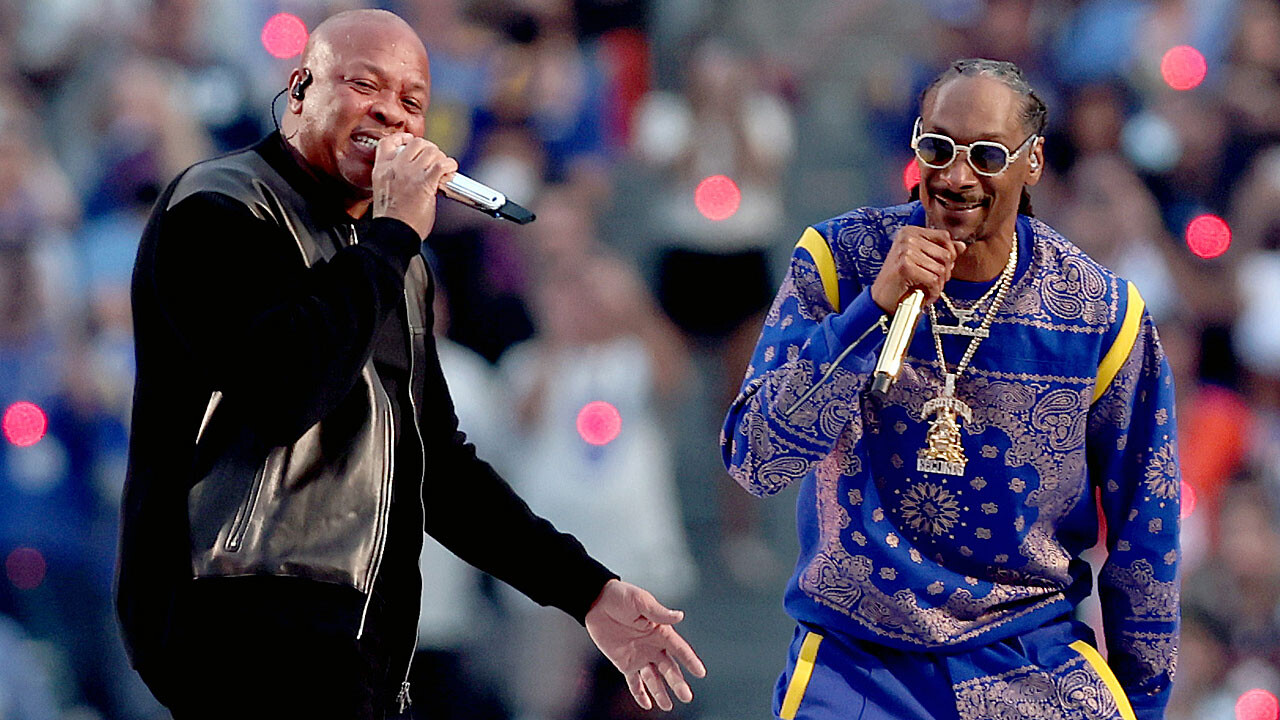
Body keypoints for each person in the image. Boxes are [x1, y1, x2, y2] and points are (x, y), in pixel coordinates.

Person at [116, 9, 704, 719]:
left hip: (357, 634)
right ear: (299, 89)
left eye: (411, 100)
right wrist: (393, 235)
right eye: (364, 85)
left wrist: (586, 591)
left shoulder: (392, 258)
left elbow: (438, 466)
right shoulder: (218, 207)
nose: (390, 113)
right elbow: (284, 391)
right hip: (238, 617)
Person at [721, 59, 1178, 720]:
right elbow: (755, 459)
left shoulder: (1102, 314)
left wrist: (1146, 702)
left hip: (1032, 657)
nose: (957, 176)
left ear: (1033, 161)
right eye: (938, 148)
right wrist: (870, 313)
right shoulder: (840, 260)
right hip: (857, 656)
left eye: (987, 156)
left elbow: (1146, 535)